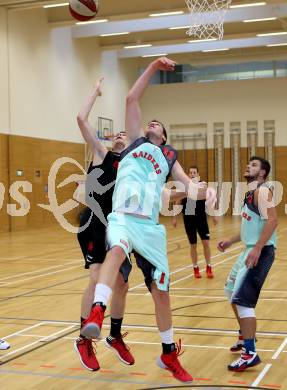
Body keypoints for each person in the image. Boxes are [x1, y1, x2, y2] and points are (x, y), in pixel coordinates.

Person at [81, 57, 215, 383]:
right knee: (115, 252)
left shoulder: (169, 158)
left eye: (158, 124)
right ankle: (98, 309)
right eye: (149, 122)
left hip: (151, 228)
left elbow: (188, 187)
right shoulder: (133, 144)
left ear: (165, 136)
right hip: (124, 218)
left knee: (162, 292)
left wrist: (204, 192)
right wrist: (154, 66)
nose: (152, 123)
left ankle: (169, 353)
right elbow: (131, 99)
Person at [75, 77, 134, 371]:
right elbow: (81, 118)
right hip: (94, 224)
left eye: (126, 134)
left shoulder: (132, 166)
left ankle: (114, 335)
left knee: (122, 285)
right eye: (118, 133)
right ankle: (84, 339)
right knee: (97, 278)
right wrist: (94, 92)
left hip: (120, 228)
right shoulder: (102, 153)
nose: (121, 135)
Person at [218, 156, 277, 372]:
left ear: (262, 173)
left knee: (243, 301)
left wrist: (259, 247)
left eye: (253, 165)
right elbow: (248, 228)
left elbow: (273, 220)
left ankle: (250, 353)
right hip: (248, 250)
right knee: (230, 291)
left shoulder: (263, 191)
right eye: (248, 163)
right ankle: (245, 336)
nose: (247, 166)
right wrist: (230, 241)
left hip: (259, 252)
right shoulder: (250, 193)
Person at [173, 166, 218, 278]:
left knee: (206, 243)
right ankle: (195, 267)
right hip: (188, 218)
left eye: (194, 172)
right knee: (193, 245)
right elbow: (178, 201)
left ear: (198, 175)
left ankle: (208, 266)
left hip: (201, 217)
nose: (192, 174)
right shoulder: (183, 186)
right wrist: (174, 217)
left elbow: (209, 199)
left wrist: (214, 215)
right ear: (188, 175)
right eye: (190, 172)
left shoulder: (203, 185)